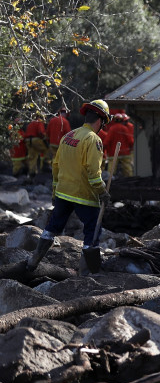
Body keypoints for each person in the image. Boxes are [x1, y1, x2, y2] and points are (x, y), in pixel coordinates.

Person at [26, 99, 112, 274]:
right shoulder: (93, 140)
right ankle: (90, 273)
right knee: (92, 231)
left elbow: (56, 166)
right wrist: (102, 192)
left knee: (51, 228)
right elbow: (93, 173)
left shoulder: (69, 136)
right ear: (101, 120)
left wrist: (54, 191)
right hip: (84, 195)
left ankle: (32, 262)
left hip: (63, 193)